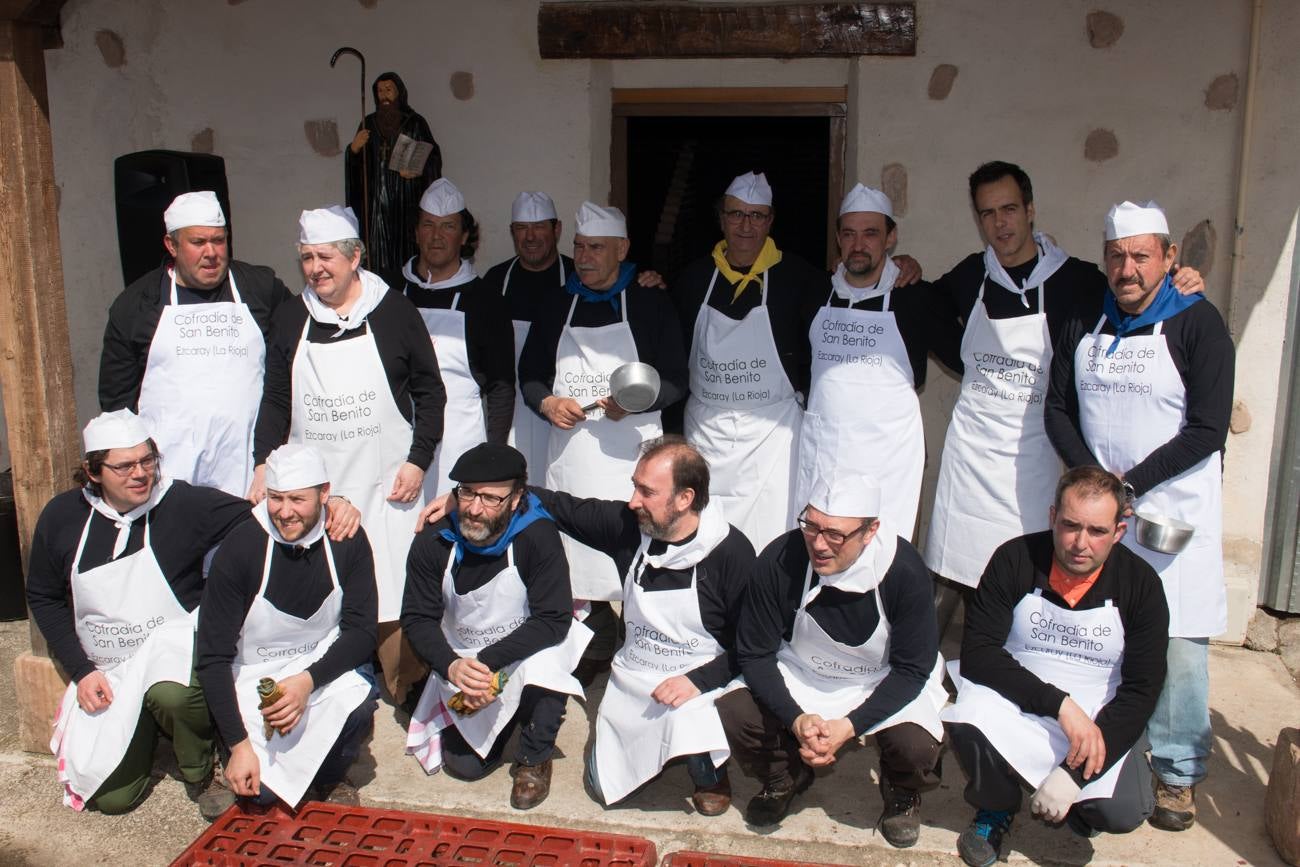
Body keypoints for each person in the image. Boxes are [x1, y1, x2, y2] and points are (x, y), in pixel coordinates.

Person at [26, 410, 359, 818]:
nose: (140, 474)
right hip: (106, 671)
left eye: (148, 460)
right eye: (125, 465)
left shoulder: (183, 503)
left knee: (175, 697)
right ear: (92, 472)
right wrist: (80, 670)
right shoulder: (61, 518)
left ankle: (201, 769)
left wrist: (332, 504)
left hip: (174, 658)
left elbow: (264, 515)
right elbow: (43, 596)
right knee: (113, 799)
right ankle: (143, 738)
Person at [924, 162, 1202, 629]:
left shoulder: (1075, 279)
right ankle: (980, 656)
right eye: (988, 213)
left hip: (1037, 449)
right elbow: (925, 308)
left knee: (1030, 562)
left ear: (1030, 210)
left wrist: (1178, 283)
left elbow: (1133, 299)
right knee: (967, 563)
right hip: (972, 450)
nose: (1000, 223)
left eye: (1009, 209)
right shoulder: (972, 275)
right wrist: (905, 273)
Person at [1044, 200, 1234, 833]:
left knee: (1178, 643)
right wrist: (1093, 486)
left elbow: (1207, 427)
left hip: (1169, 512)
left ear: (1169, 258)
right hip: (1102, 515)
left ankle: (1178, 772)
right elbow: (1059, 409)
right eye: (1118, 256)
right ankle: (1110, 750)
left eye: (1142, 255)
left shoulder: (1197, 322)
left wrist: (1131, 485)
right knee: (1104, 636)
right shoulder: (1083, 317)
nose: (1128, 268)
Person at [252, 204, 446, 707]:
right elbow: (275, 398)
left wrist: (418, 460)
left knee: (391, 582)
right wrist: (262, 463)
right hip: (318, 482)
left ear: (355, 256)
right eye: (307, 258)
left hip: (386, 481)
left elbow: (430, 392)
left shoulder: (394, 311)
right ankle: (331, 678)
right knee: (323, 579)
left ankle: (404, 684)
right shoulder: (293, 316)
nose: (316, 268)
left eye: (326, 258)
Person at [943, 467, 1169, 867]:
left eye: (1098, 531)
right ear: (1052, 518)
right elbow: (980, 653)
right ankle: (995, 807)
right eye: (1070, 526)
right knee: (966, 712)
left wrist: (1074, 774)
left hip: (1098, 717)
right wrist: (1061, 705)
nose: (1081, 543)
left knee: (1121, 813)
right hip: (1020, 699)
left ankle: (1079, 802)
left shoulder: (1142, 584)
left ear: (1119, 531)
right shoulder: (1014, 559)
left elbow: (1142, 689)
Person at [719, 474, 946, 847]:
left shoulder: (903, 571)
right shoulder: (780, 559)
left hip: (880, 678)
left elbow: (911, 670)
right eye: (811, 526)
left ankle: (902, 789)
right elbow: (755, 653)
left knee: (917, 745)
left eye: (835, 534)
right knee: (735, 711)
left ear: (870, 531)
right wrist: (796, 719)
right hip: (804, 672)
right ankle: (784, 774)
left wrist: (849, 727)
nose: (819, 544)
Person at [532, 436, 754, 814]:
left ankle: (708, 769)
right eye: (635, 486)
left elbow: (752, 646)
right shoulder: (628, 526)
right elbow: (559, 507)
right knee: (602, 787)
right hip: (635, 677)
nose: (633, 500)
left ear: (685, 498)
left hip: (698, 681)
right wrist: (481, 491)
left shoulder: (732, 553)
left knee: (692, 720)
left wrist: (697, 681)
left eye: (646, 491)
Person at [518, 202, 688, 667]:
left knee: (637, 550)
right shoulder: (557, 303)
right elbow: (530, 373)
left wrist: (638, 401)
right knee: (574, 554)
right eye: (579, 246)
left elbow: (677, 380)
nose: (585, 257)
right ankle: (590, 643)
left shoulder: (651, 301)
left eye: (596, 247)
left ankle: (643, 640)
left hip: (632, 457)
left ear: (622, 250)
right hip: (572, 455)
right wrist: (547, 403)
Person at [402, 443, 591, 810]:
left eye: (491, 498)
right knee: (465, 768)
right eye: (468, 493)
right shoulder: (434, 540)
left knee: (550, 668)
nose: (475, 508)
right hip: (461, 656)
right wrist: (453, 666)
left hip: (524, 648)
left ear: (517, 497)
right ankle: (508, 721)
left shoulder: (536, 536)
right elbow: (417, 617)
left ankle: (535, 755)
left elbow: (552, 618)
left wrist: (490, 663)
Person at [197, 444, 379, 809]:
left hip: (316, 664)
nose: (284, 512)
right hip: (253, 673)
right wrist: (238, 745)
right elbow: (212, 657)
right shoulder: (242, 546)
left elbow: (362, 632)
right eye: (276, 499)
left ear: (325, 494)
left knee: (360, 700)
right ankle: (226, 755)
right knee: (260, 797)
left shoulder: (346, 538)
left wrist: (306, 681)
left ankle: (332, 775)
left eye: (298, 499)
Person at [98, 191, 292, 497]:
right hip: (169, 474)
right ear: (171, 245)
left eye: (219, 240)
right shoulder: (136, 304)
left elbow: (290, 367)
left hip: (251, 470)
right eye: (198, 242)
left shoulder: (260, 288)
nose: (212, 252)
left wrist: (273, 456)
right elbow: (116, 401)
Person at [794, 184, 961, 537]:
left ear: (891, 238)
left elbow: (963, 358)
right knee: (819, 547)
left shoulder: (915, 298)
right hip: (824, 452)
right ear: (838, 238)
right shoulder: (812, 292)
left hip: (886, 458)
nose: (858, 245)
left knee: (881, 553)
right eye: (850, 234)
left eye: (871, 233)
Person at [389, 178, 514, 496]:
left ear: (465, 235)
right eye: (428, 225)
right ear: (416, 232)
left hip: (459, 442)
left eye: (448, 226)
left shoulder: (485, 299)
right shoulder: (389, 292)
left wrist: (493, 457)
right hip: (395, 442)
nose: (436, 236)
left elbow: (501, 387)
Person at [482, 191, 575, 476]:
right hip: (509, 411)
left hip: (561, 405)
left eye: (539, 227)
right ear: (512, 232)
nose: (530, 237)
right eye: (522, 228)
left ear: (556, 229)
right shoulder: (495, 281)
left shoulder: (576, 276)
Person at [345, 71, 441, 275]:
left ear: (399, 92)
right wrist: (353, 150)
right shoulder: (368, 124)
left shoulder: (415, 123)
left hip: (405, 202)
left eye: (389, 90)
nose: (384, 95)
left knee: (405, 252)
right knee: (376, 254)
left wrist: (418, 171)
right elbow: (357, 170)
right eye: (380, 91)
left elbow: (433, 158)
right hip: (375, 206)